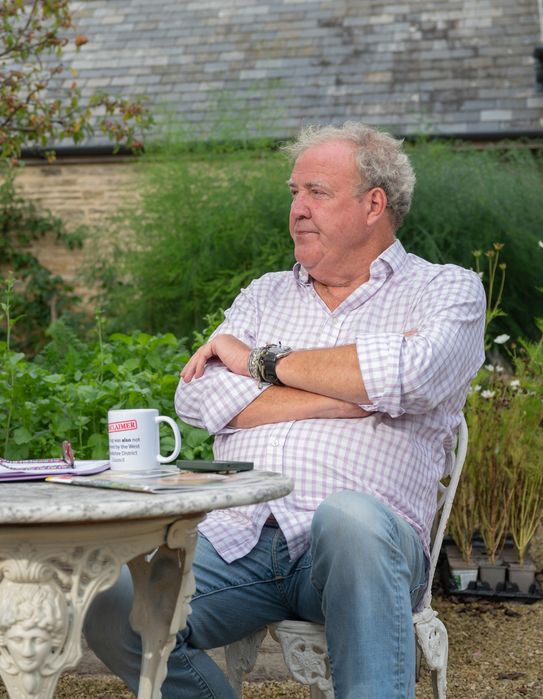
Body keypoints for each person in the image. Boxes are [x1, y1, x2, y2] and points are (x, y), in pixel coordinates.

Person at [83, 122, 485, 698]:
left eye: (316, 192)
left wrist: (261, 364)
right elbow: (198, 396)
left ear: (375, 204)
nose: (297, 208)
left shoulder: (446, 290)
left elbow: (411, 373)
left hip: (366, 547)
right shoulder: (264, 292)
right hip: (239, 536)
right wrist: (343, 393)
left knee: (348, 517)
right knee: (106, 597)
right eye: (293, 193)